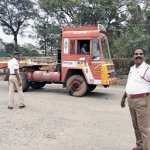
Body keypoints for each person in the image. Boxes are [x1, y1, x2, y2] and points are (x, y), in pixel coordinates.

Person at [121, 48, 150, 150]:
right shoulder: (132, 68)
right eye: (136, 54)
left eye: (140, 54)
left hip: (142, 101)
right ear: (133, 56)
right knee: (136, 126)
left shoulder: (147, 69)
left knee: (144, 129)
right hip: (131, 101)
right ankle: (140, 145)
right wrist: (124, 97)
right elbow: (130, 84)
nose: (138, 55)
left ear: (144, 56)